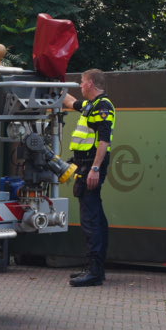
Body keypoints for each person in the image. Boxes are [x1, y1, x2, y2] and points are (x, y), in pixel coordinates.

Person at [63, 69, 115, 288]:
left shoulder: (103, 107)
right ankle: (95, 269)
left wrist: (95, 168)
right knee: (96, 217)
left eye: (82, 82)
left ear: (91, 83)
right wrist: (55, 84)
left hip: (91, 167)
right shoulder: (90, 105)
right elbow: (70, 102)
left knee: (90, 220)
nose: (80, 85)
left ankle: (94, 273)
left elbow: (104, 141)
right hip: (84, 165)